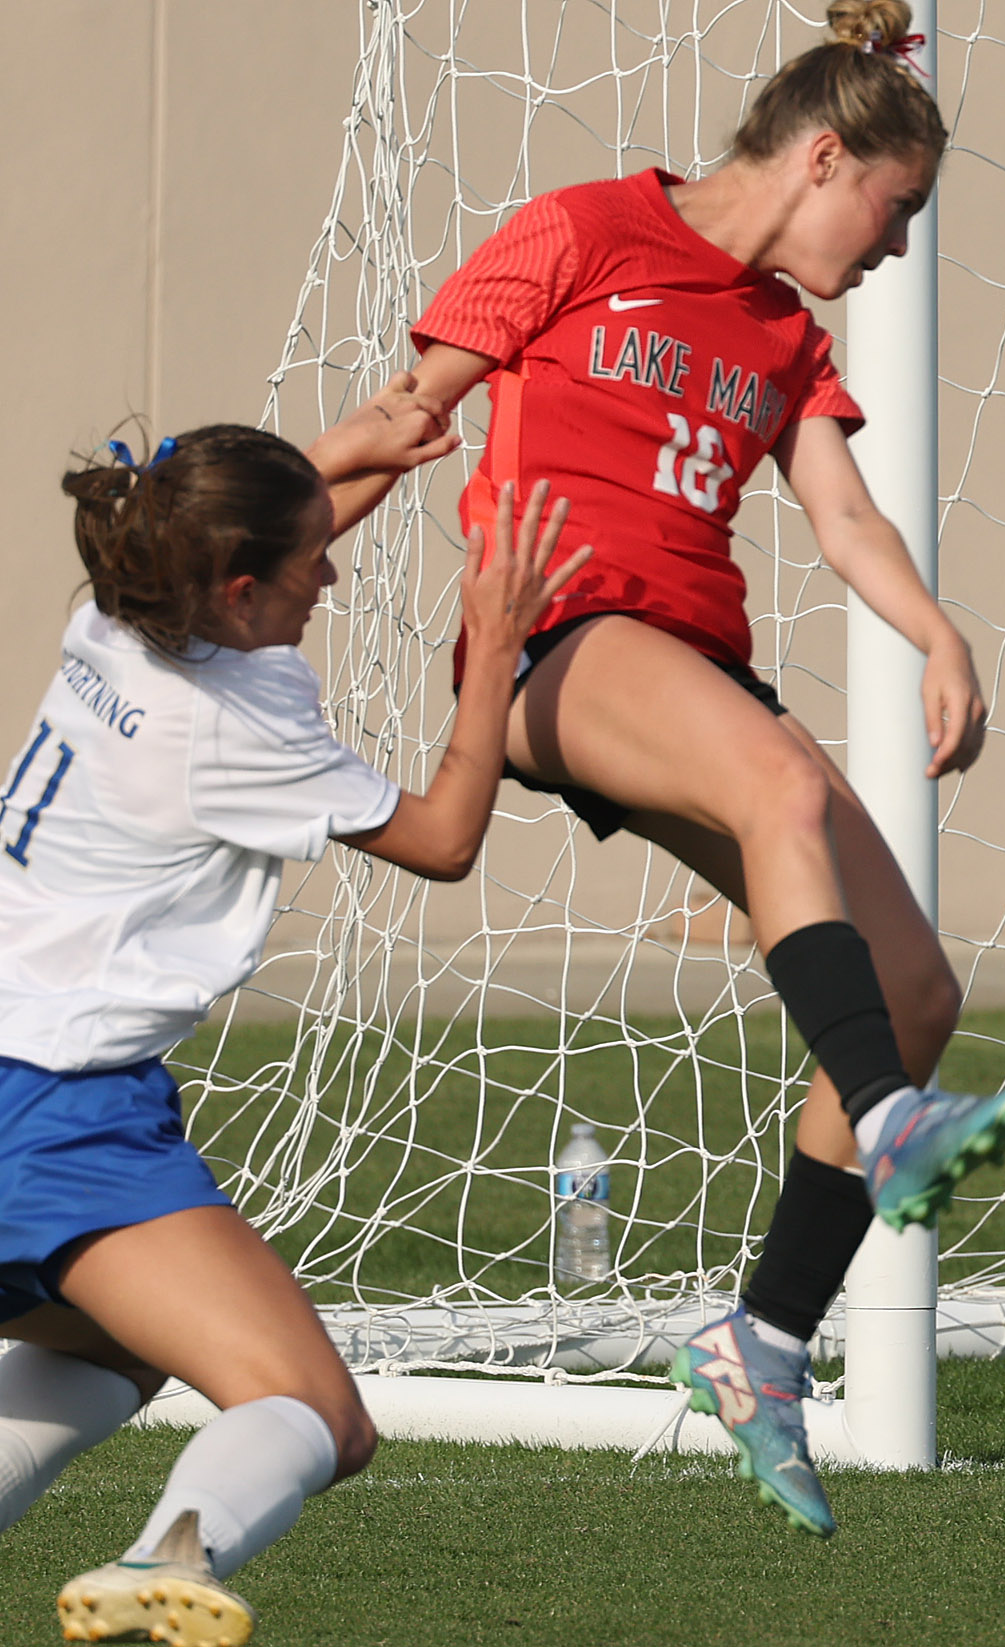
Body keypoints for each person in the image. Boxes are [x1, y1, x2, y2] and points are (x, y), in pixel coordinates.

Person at [369, 0, 1005, 1539]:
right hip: (545, 642)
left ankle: (764, 1338)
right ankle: (884, 1117)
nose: (892, 248)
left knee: (917, 987)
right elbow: (414, 406)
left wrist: (940, 635)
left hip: (690, 668)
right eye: (897, 207)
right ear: (825, 156)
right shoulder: (578, 229)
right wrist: (252, 561)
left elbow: (845, 517)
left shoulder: (786, 335)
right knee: (785, 788)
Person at [2, 400, 586, 1644]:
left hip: (24, 1077)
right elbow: (441, 839)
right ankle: (169, 1564)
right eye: (311, 557)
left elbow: (235, 548)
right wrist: (493, 651)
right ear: (238, 588)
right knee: (320, 1411)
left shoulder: (111, 615)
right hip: (52, 1111)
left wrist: (365, 442)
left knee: (111, 1350)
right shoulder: (230, 731)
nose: (335, 571)